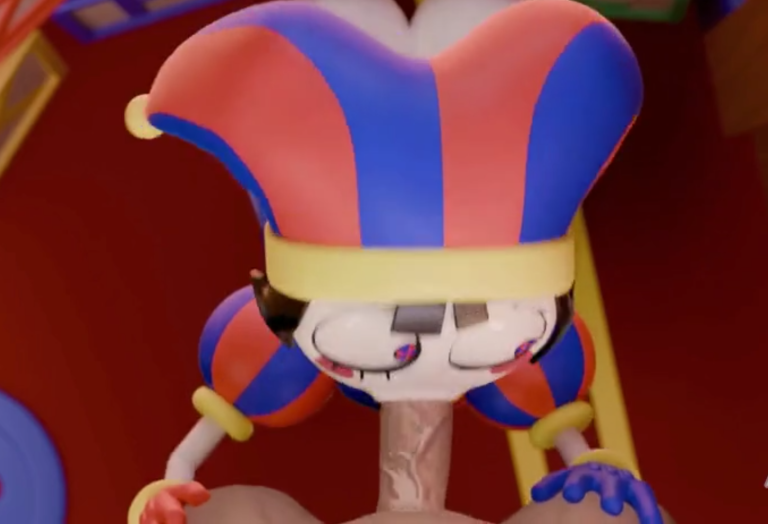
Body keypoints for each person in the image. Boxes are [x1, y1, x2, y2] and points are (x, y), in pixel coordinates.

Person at [124, 1, 659, 523]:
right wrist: (168, 497)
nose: (426, 338)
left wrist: (599, 481)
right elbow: (192, 481)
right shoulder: (266, 364)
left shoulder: (537, 373)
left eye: (478, 322)